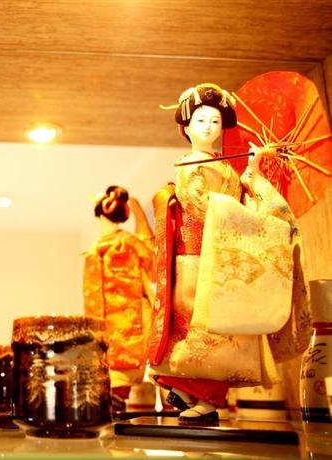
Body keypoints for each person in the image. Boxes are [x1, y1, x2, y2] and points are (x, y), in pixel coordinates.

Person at [147, 83, 311, 424]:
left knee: (220, 329)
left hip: (218, 257)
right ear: (186, 127)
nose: (208, 127)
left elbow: (236, 203)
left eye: (215, 121)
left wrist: (252, 171)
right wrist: (239, 215)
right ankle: (192, 392)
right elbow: (201, 205)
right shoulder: (190, 164)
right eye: (200, 120)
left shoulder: (224, 167)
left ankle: (203, 398)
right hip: (195, 258)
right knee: (193, 327)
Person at [83, 186, 154, 407]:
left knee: (122, 376)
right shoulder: (114, 245)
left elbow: (153, 267)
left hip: (128, 321)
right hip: (112, 324)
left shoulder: (121, 244)